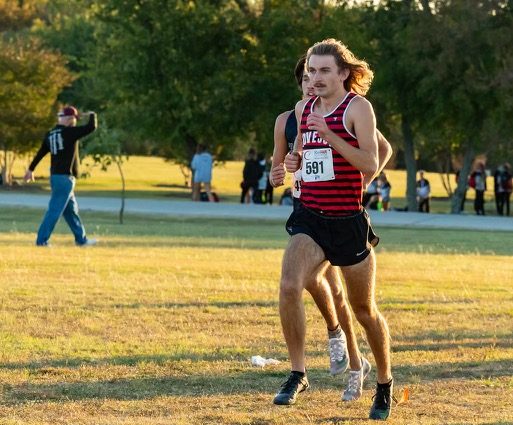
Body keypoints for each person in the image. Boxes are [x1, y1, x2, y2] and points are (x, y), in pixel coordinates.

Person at [272, 39, 394, 420]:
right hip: (310, 217)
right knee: (290, 285)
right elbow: (303, 156)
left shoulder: (358, 108)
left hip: (348, 221)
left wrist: (330, 135)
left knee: (363, 310)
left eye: (324, 70)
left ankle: (384, 383)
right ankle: (298, 373)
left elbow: (370, 163)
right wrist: (292, 160)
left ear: (343, 73)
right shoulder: (302, 107)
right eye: (311, 70)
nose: (316, 77)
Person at [24, 106, 98, 246]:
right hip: (64, 179)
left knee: (71, 211)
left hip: (56, 177)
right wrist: (92, 114)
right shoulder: (70, 133)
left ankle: (81, 240)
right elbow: (91, 127)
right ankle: (42, 241)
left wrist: (31, 169)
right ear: (70, 119)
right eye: (73, 119)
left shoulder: (50, 134)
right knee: (54, 210)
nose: (74, 122)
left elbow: (41, 153)